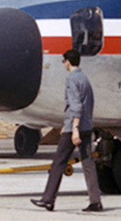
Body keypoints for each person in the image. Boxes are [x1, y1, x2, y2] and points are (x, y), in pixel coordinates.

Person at [33, 49, 103, 212]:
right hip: (86, 126)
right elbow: (89, 103)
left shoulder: (71, 79)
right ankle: (95, 201)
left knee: (58, 162)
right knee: (88, 164)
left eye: (63, 61)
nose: (64, 64)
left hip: (75, 128)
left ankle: (48, 199)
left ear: (67, 62)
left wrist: (74, 128)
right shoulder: (84, 78)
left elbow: (76, 105)